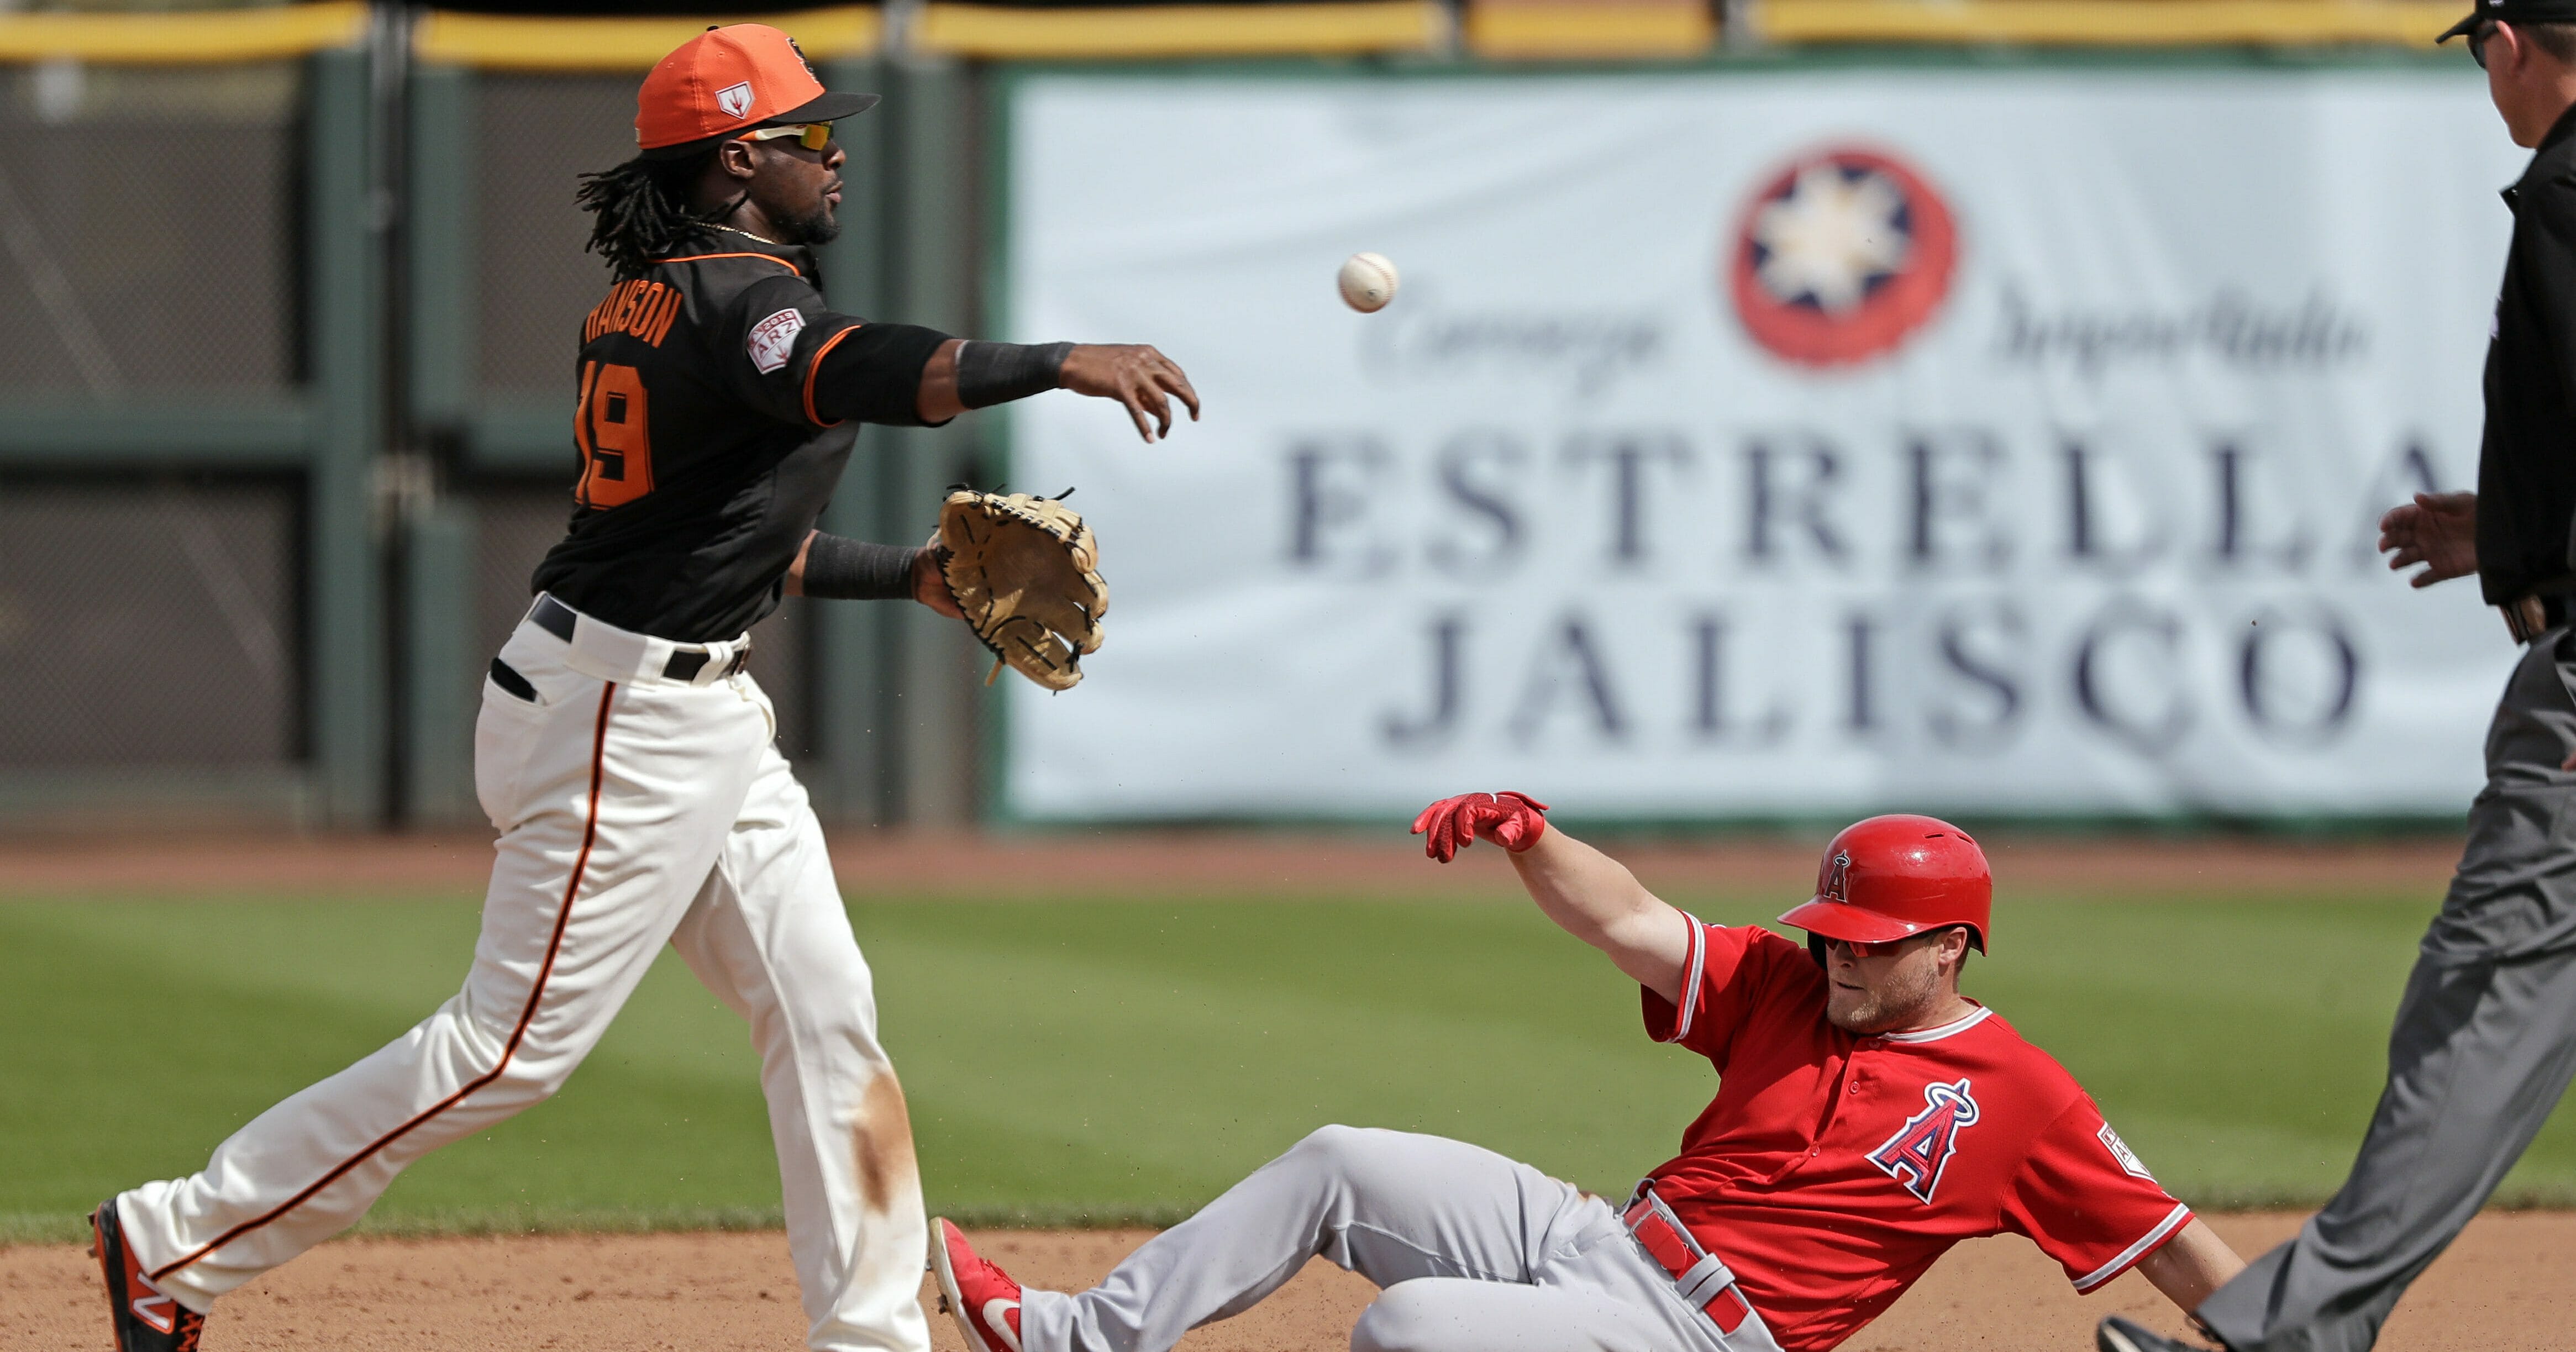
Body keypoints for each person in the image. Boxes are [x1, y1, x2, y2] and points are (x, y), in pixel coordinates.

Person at [85, 24, 1197, 1352]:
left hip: (679, 703)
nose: (837, 159)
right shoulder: (744, 300)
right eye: (812, 138)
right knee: (507, 1052)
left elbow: (719, 553)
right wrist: (1058, 360)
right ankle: (174, 1240)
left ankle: (873, 1335)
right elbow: (865, 370)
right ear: (738, 161)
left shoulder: (658, 298)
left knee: (821, 1004)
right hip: (622, 725)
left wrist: (905, 575)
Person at [929, 793, 2243, 1352]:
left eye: (1867, 945)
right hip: (1598, 1241)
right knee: (1338, 1161)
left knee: (1410, 1332)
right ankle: (1071, 1340)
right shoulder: (1786, 985)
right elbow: (1631, 919)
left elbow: (2169, 1237)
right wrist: (1532, 835)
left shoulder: (2022, 1096)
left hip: (1694, 1339)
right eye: (1827, 932)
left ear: (1953, 948)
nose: (1834, 960)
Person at [2100, 7, 2576, 1352]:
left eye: (2486, 47)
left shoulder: (2566, 193)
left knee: (2482, 1007)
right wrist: (2523, 525)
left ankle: (2297, 1332)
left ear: (2515, 45)